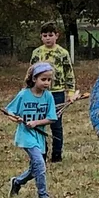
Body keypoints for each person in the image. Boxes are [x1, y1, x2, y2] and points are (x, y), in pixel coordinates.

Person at [6, 62, 57, 198]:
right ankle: (43, 197)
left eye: (49, 80)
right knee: (40, 164)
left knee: (35, 169)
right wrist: (15, 118)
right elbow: (10, 111)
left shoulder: (48, 97)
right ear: (34, 79)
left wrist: (36, 123)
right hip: (26, 136)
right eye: (43, 79)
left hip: (39, 136)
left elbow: (52, 118)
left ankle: (17, 182)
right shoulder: (23, 95)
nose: (47, 83)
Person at [30, 21, 79, 162]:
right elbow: (31, 72)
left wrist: (70, 92)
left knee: (56, 124)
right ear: (41, 37)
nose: (48, 38)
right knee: (40, 123)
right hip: (40, 93)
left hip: (57, 92)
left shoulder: (62, 53)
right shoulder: (37, 53)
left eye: (50, 35)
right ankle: (41, 153)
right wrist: (30, 89)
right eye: (45, 35)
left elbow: (69, 73)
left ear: (56, 36)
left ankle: (57, 154)